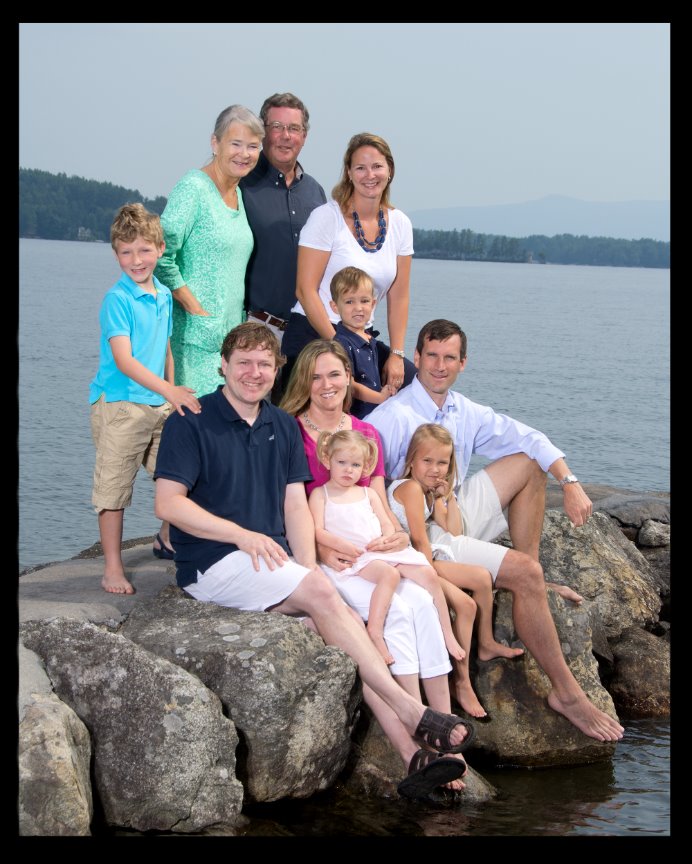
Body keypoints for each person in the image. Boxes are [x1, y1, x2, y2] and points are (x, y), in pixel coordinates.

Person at [153, 321, 474, 801]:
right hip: (214, 561)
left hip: (268, 564)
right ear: (223, 365)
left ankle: (414, 756)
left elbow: (295, 505)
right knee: (328, 600)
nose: (254, 373)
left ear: (278, 369)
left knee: (332, 623)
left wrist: (306, 571)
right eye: (243, 362)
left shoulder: (281, 425)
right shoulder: (191, 418)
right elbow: (168, 504)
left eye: (265, 364)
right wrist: (243, 537)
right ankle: (412, 710)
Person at [368, 319, 625, 742]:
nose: (439, 366)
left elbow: (533, 439)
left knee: (528, 462)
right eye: (431, 356)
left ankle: (534, 581)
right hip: (421, 528)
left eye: (449, 357)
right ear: (415, 359)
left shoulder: (463, 410)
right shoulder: (392, 417)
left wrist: (571, 481)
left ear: (463, 363)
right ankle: (568, 694)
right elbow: (366, 480)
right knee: (523, 573)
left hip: (452, 508)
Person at [279, 340, 472, 739]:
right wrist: (318, 549)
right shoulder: (289, 430)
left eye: (335, 374)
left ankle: (444, 720)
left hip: (372, 548)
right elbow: (288, 508)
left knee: (420, 602)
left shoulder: (366, 433)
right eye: (315, 376)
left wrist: (397, 533)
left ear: (349, 378)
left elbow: (379, 502)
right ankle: (416, 720)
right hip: (333, 556)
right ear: (304, 382)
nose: (326, 384)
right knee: (400, 612)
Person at [89, 204, 201, 595]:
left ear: (159, 248)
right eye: (126, 252)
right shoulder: (116, 300)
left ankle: (169, 536)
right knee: (114, 488)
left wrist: (172, 395)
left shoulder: (165, 294)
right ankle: (113, 568)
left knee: (180, 475)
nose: (136, 260)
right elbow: (124, 359)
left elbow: (166, 348)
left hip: (158, 403)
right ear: (116, 254)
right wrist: (167, 390)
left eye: (144, 250)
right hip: (121, 404)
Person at [388, 423, 525, 717]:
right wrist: (432, 579)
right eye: (428, 461)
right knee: (465, 604)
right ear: (411, 460)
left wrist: (444, 496)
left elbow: (453, 531)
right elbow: (420, 538)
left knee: (482, 577)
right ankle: (460, 680)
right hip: (409, 561)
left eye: (442, 463)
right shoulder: (410, 488)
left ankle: (486, 643)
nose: (435, 469)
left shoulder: (426, 491)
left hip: (421, 554)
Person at [308, 429, 465, 666]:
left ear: (365, 466)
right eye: (342, 463)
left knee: (428, 575)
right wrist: (337, 543)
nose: (349, 470)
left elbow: (386, 522)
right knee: (389, 575)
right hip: (358, 555)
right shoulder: (321, 495)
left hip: (380, 549)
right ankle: (375, 628)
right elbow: (316, 530)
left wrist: (388, 538)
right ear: (327, 459)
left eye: (356, 464)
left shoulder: (368, 493)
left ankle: (447, 632)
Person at [281, 132, 417, 390]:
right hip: (315, 334)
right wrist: (341, 348)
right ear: (349, 173)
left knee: (414, 385)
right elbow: (305, 290)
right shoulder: (325, 218)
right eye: (361, 168)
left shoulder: (401, 224)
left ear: (389, 170)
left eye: (377, 166)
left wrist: (397, 356)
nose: (370, 175)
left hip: (362, 337)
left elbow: (399, 297)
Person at [155, 104, 263, 401]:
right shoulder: (193, 189)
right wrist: (194, 307)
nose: (244, 153)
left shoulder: (238, 193)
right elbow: (159, 254)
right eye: (236, 143)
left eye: (253, 146)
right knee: (198, 428)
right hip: (193, 342)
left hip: (229, 342)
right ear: (215, 143)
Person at [241, 92, 327, 347]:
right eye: (277, 127)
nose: (285, 136)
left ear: (304, 136)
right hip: (255, 329)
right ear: (262, 132)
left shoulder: (316, 193)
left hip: (308, 333)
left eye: (294, 128)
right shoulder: (242, 185)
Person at [329, 266, 398, 418]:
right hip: (356, 418)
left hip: (375, 413)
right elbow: (349, 385)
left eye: (364, 301)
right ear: (335, 307)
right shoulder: (341, 344)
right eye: (349, 302)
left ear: (373, 304)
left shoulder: (368, 338)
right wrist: (380, 398)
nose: (358, 308)